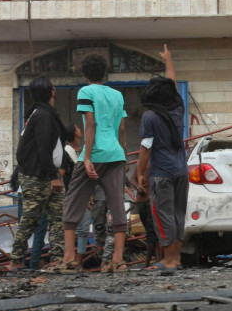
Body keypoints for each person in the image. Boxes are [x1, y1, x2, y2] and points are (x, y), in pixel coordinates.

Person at [58, 54, 129, 273]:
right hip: (116, 154)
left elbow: (90, 124)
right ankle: (119, 259)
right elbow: (122, 129)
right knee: (117, 204)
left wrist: (86, 157)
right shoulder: (117, 94)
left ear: (84, 73)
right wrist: (123, 155)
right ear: (105, 72)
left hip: (95, 153)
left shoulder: (85, 92)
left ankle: (69, 258)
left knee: (72, 202)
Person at [136, 45, 188, 271]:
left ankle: (168, 260)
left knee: (163, 215)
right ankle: (176, 258)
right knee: (178, 214)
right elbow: (173, 85)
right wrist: (169, 60)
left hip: (162, 174)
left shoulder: (149, 117)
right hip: (181, 170)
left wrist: (139, 173)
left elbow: (146, 148)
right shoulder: (177, 109)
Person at [10, 76, 66, 271]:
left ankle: (58, 258)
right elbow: (43, 147)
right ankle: (16, 259)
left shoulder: (39, 113)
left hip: (46, 174)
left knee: (57, 217)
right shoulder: (42, 115)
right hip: (38, 176)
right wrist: (52, 176)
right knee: (31, 217)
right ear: (51, 92)